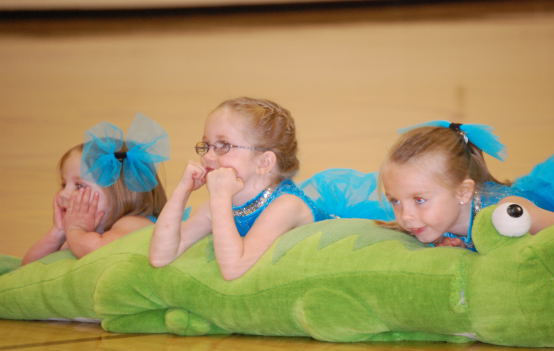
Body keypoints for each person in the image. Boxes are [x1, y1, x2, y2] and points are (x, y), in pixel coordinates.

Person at [378, 120, 554, 250]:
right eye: (395, 201)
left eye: (419, 200)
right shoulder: (434, 221)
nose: (406, 216)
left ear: (463, 192)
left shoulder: (510, 211)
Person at [149, 97, 331, 280]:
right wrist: (182, 190)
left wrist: (220, 198)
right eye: (206, 145)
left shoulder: (287, 205)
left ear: (264, 162)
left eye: (224, 146)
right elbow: (160, 257)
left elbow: (233, 269)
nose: (208, 157)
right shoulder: (216, 206)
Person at [22, 114, 169, 265]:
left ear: (121, 193)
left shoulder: (134, 224)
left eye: (79, 186)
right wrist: (58, 232)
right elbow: (28, 268)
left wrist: (75, 229)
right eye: (64, 185)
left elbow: (102, 252)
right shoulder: (79, 237)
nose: (63, 194)